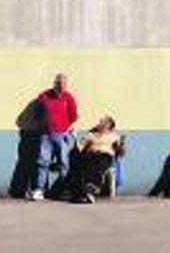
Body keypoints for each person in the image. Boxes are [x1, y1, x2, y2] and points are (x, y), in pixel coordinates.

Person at [29, 73, 79, 201]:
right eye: (59, 83)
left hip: (61, 134)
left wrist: (65, 126)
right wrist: (42, 125)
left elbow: (74, 115)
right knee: (42, 162)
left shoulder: (69, 97)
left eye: (64, 84)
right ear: (54, 83)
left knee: (63, 163)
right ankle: (40, 190)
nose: (61, 86)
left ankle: (63, 190)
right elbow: (36, 113)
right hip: (46, 134)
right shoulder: (44, 96)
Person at [65, 115, 124, 204]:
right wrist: (74, 136)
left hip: (105, 156)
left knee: (98, 164)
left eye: (103, 122)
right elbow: (79, 148)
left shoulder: (114, 136)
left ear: (109, 125)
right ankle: (85, 193)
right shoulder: (91, 135)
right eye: (101, 122)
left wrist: (120, 146)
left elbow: (120, 151)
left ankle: (91, 190)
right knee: (82, 165)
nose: (100, 124)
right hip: (91, 155)